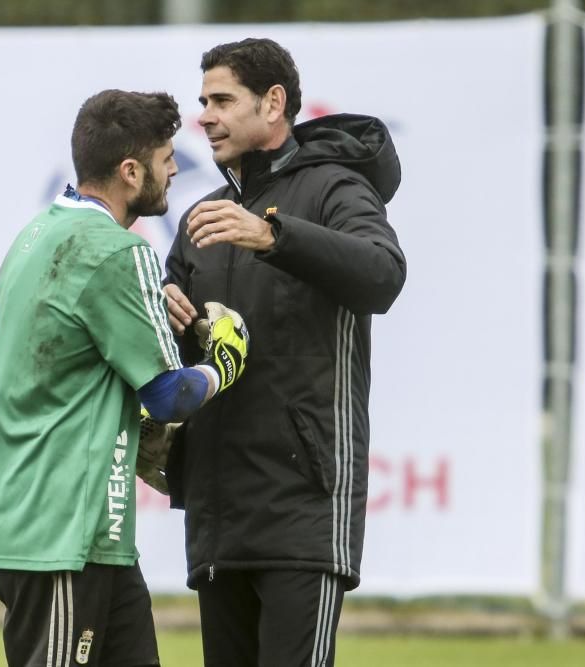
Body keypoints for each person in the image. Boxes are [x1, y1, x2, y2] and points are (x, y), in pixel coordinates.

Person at [0, 89, 249, 667]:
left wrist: (143, 306)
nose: (175, 168)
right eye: (165, 157)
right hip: (59, 539)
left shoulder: (38, 235)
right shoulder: (117, 252)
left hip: (93, 540)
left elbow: (79, 353)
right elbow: (170, 394)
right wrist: (224, 363)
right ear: (131, 172)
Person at [161, 38, 407, 667]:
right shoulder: (201, 219)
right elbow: (174, 355)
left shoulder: (336, 187)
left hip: (304, 503)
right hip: (219, 513)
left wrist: (276, 237)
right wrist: (163, 309)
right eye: (203, 102)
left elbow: (384, 275)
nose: (205, 117)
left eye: (222, 100)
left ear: (274, 104)